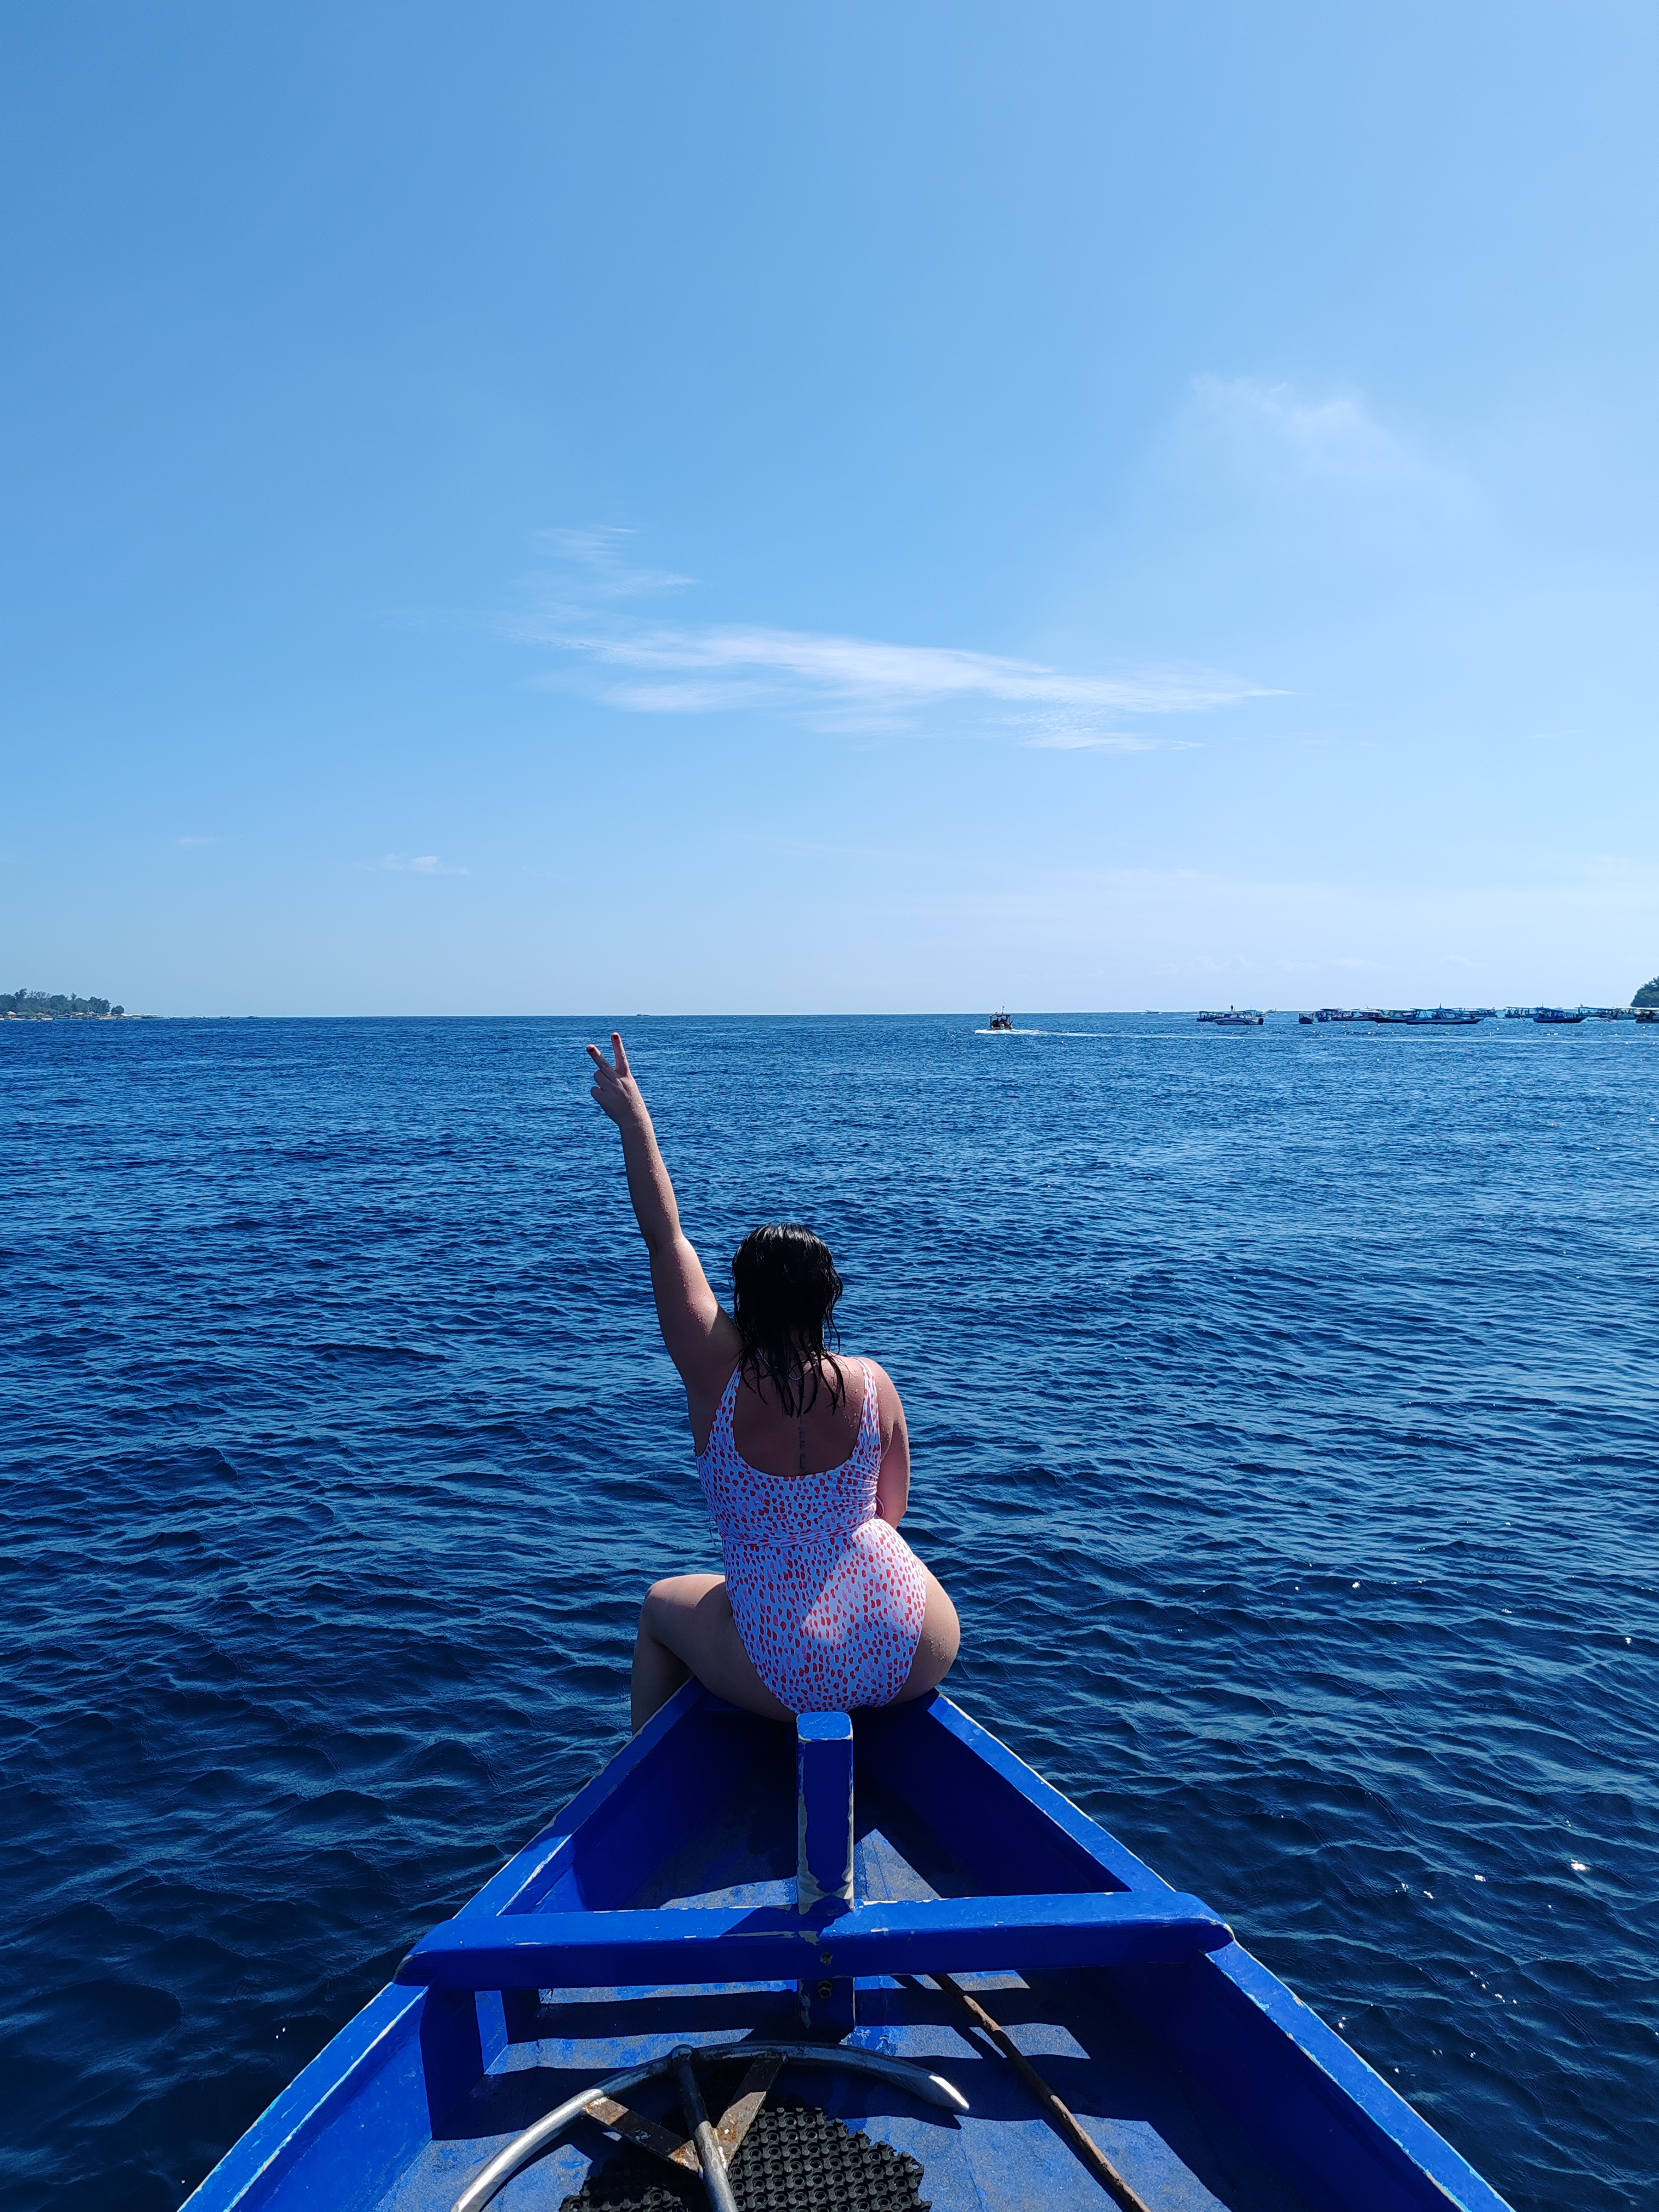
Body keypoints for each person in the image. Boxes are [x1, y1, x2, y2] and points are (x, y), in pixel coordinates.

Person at [587, 1033, 961, 1731]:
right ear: (828, 1297)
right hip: (916, 1645)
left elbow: (665, 1237)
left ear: (742, 1297)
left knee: (660, 1605)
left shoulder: (717, 1377)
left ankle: (644, 1773)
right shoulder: (874, 1383)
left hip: (782, 1671)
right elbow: (892, 1511)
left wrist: (635, 1121)